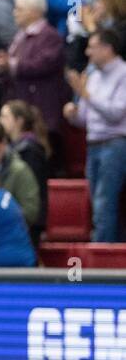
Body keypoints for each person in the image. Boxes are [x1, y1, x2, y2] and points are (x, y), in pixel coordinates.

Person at [65, 29, 126, 242]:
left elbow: (116, 113)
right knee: (97, 204)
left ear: (107, 48)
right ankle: (113, 254)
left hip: (115, 145)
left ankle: (101, 262)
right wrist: (72, 114)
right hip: (93, 144)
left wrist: (86, 95)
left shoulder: (124, 73)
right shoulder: (91, 75)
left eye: (92, 47)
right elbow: (84, 119)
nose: (88, 52)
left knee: (103, 202)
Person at [0, 0, 68, 143]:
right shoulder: (19, 37)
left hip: (41, 112)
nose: (14, 13)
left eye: (19, 9)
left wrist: (11, 65)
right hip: (21, 110)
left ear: (34, 11)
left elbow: (43, 64)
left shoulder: (49, 36)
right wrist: (1, 69)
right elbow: (12, 68)